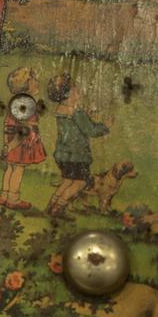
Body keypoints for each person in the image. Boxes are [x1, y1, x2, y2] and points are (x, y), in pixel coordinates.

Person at [45, 73, 113, 217]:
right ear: (68, 94)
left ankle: (51, 204)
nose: (79, 92)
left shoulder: (60, 110)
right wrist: (106, 126)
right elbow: (91, 130)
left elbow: (75, 125)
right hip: (77, 156)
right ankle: (58, 208)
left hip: (63, 155)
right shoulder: (77, 112)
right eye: (76, 89)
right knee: (80, 183)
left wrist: (86, 116)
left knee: (67, 181)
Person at [0, 67, 47, 210]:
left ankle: (4, 196)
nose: (37, 82)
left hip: (11, 140)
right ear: (28, 84)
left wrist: (6, 144)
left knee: (10, 167)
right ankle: (13, 199)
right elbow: (24, 129)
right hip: (20, 143)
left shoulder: (16, 103)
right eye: (34, 80)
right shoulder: (27, 105)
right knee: (18, 169)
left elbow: (8, 125)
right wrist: (12, 145)